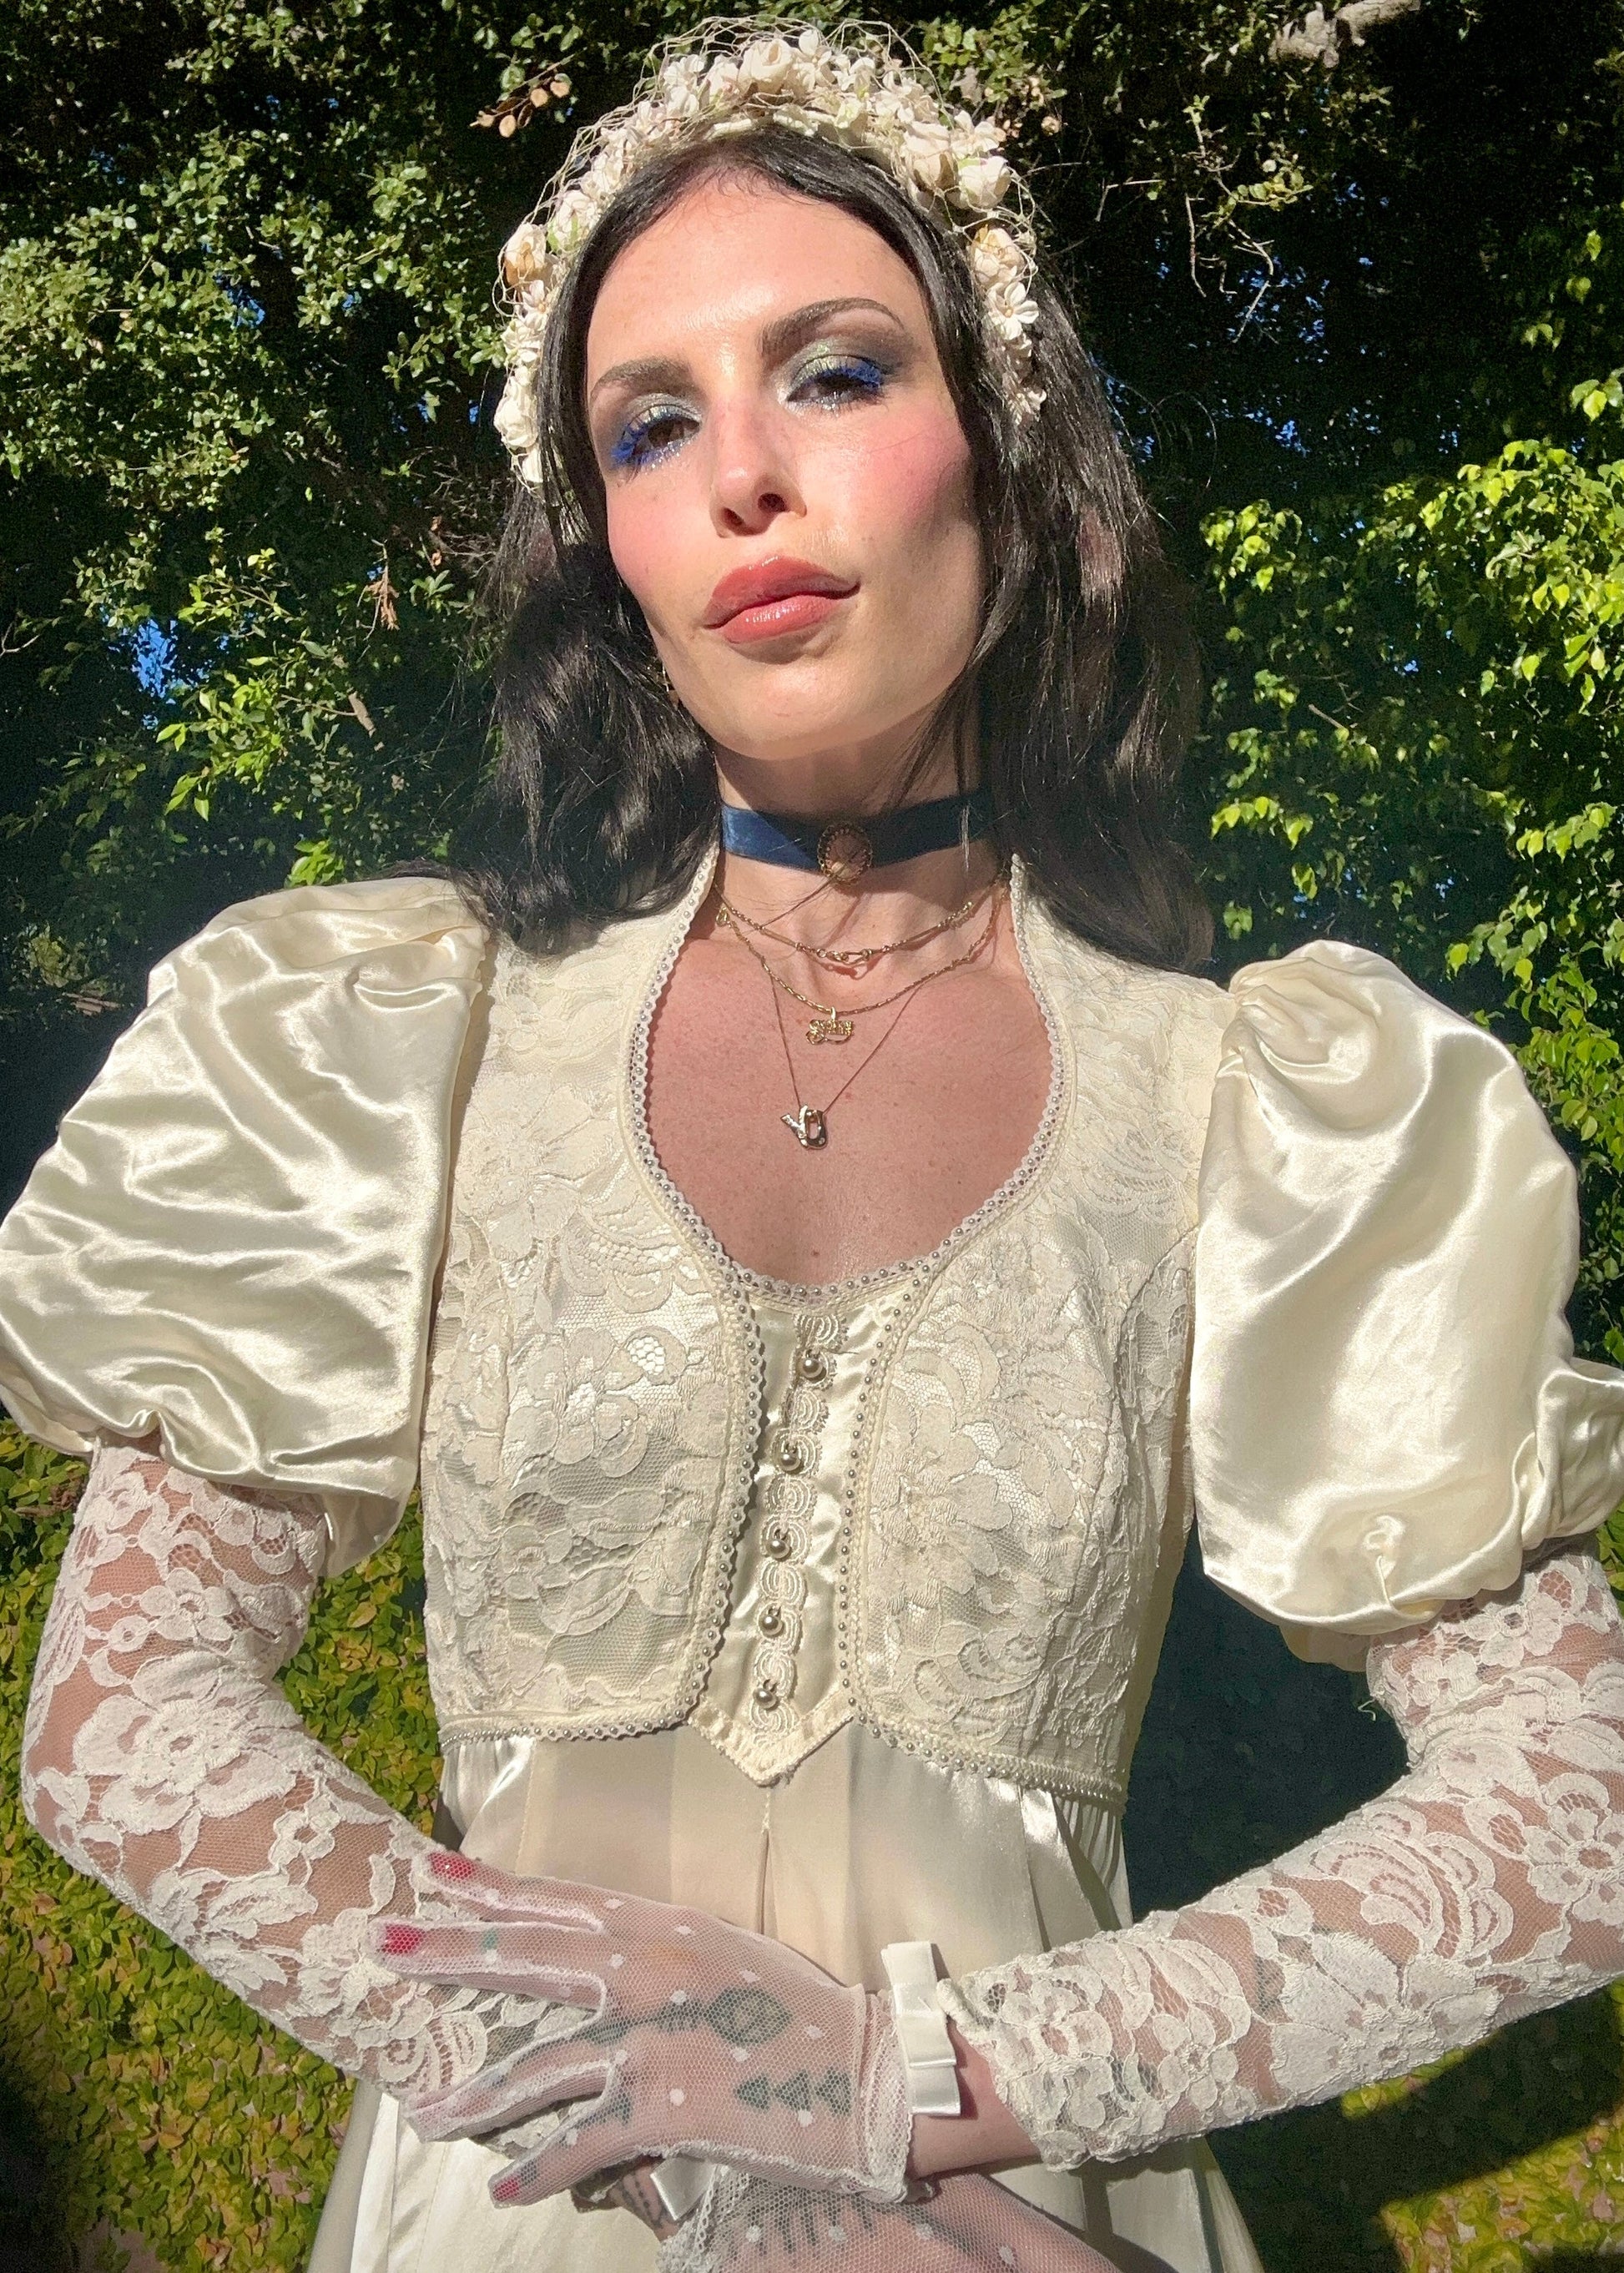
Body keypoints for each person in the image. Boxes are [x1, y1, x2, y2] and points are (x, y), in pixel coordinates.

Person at [4, 21, 1624, 2273]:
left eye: (834, 375)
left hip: (1039, 2219)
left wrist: (934, 2094)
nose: (743, 474)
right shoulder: (396, 1039)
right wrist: (730, 2143)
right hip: (540, 2194)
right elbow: (117, 1717)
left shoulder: (1263, 1103)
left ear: (1019, 455)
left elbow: (1573, 1808)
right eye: (651, 427)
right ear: (611, 551)